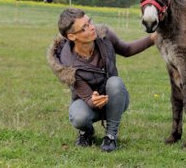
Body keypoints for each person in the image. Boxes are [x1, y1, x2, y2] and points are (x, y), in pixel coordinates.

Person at [47, 8, 155, 152]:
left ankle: (110, 136)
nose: (92, 27)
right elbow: (85, 96)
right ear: (72, 36)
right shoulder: (66, 63)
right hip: (87, 102)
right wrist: (94, 100)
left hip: (115, 99)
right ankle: (86, 132)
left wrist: (153, 38)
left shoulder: (104, 36)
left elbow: (127, 50)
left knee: (115, 83)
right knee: (79, 117)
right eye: (84, 28)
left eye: (89, 22)